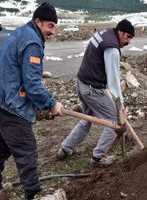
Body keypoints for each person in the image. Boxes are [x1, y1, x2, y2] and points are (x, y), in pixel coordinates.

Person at [0, 2, 63, 200]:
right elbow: (33, 85)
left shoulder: (21, 32)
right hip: (11, 105)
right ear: (38, 21)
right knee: (26, 151)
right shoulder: (33, 43)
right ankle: (34, 194)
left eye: (54, 26)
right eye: (49, 25)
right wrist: (52, 104)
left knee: (0, 148)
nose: (52, 31)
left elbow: (16, 66)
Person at [57, 19, 135, 167]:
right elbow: (113, 82)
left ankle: (65, 149)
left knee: (87, 118)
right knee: (114, 122)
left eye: (131, 38)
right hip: (92, 89)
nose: (129, 42)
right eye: (128, 37)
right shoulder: (112, 48)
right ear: (120, 32)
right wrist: (121, 109)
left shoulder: (103, 33)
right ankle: (97, 158)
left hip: (81, 82)